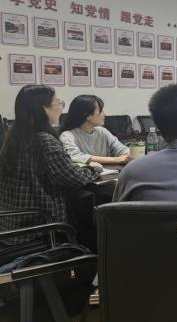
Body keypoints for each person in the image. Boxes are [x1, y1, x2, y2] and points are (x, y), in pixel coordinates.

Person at [0, 85, 102, 245]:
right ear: (43, 108)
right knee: (90, 222)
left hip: (10, 226)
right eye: (59, 103)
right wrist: (95, 168)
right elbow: (73, 178)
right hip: (39, 230)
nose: (61, 108)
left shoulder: (12, 139)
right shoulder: (44, 140)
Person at [60, 95, 130, 166]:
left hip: (111, 172)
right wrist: (115, 160)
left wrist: (129, 154)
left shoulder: (102, 132)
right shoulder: (67, 136)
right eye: (101, 111)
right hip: (86, 173)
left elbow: (121, 149)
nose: (104, 114)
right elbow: (75, 156)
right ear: (87, 115)